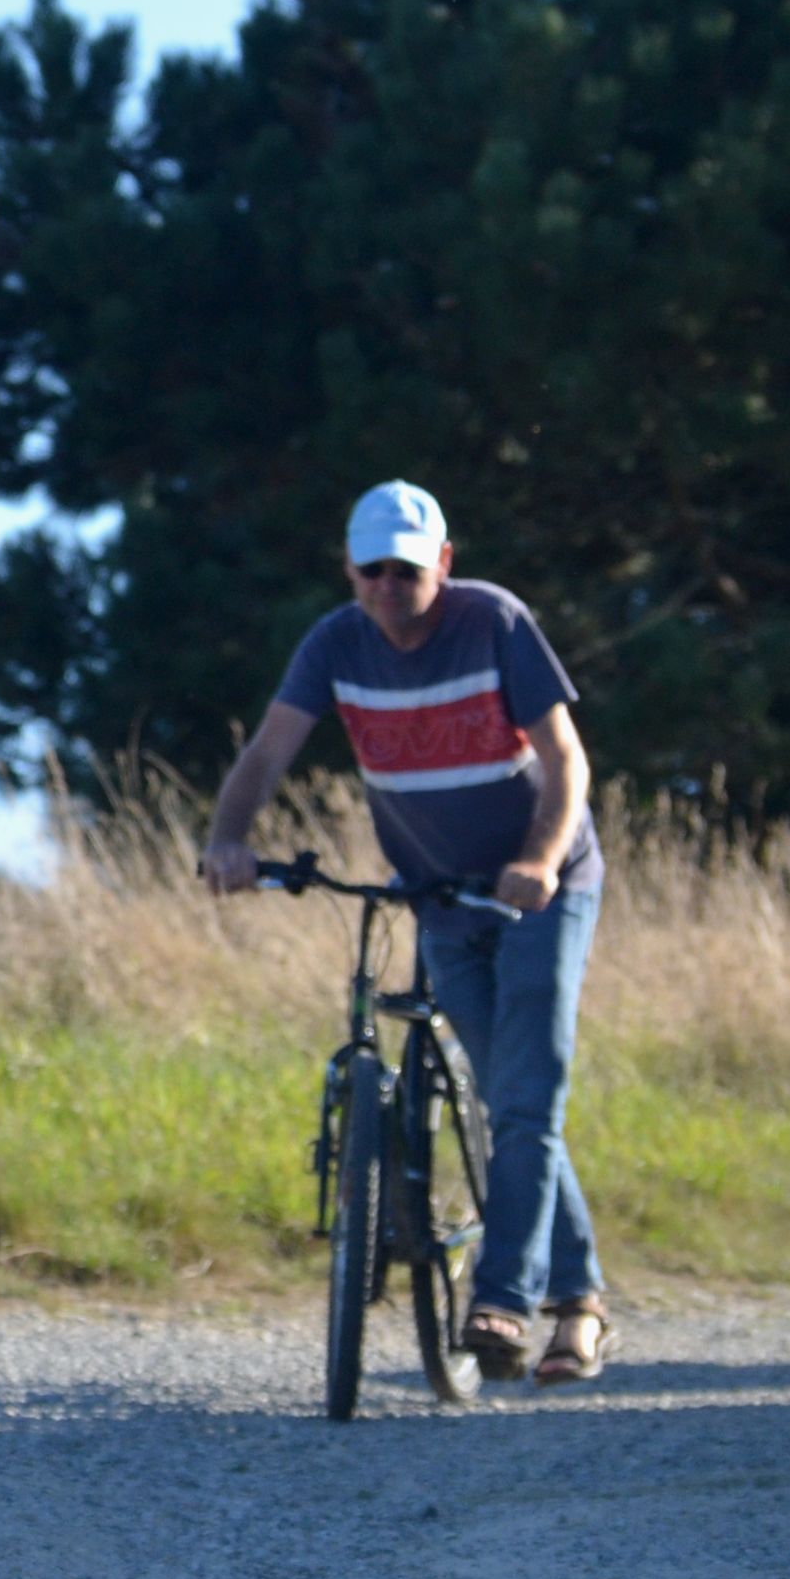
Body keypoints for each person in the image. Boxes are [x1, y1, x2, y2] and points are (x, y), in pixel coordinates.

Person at [197, 479, 612, 1385]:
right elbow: (269, 751)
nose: (390, 586)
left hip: (543, 890)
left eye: (408, 570)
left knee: (524, 1100)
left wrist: (540, 861)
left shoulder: (494, 621)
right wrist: (229, 839)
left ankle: (503, 1301)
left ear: (443, 565)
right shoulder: (334, 643)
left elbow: (565, 759)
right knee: (510, 1099)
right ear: (350, 570)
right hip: (438, 896)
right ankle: (581, 1301)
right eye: (373, 569)